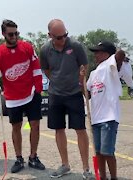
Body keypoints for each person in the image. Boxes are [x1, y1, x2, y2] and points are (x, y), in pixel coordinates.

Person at [0, 19, 45, 173]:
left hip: (31, 93)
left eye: (16, 33)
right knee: (16, 127)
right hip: (12, 96)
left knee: (35, 125)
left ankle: (33, 156)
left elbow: (36, 67)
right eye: (11, 34)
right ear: (4, 34)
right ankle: (19, 159)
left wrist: (38, 89)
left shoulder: (26, 46)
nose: (14, 36)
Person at [40, 19, 93, 179]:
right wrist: (57, 80)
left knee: (80, 129)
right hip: (56, 94)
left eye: (65, 35)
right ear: (50, 35)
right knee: (59, 129)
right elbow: (47, 70)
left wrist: (79, 78)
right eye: (58, 37)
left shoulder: (75, 46)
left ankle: (86, 168)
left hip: (74, 93)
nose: (62, 40)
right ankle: (65, 165)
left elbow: (84, 65)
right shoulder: (45, 49)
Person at [86, 41, 133, 180]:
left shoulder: (110, 67)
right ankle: (103, 177)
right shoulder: (94, 73)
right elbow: (87, 93)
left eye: (98, 52)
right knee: (99, 152)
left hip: (109, 117)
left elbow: (120, 54)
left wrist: (119, 56)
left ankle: (113, 177)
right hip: (95, 118)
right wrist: (80, 80)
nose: (95, 54)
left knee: (108, 152)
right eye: (94, 52)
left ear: (107, 54)